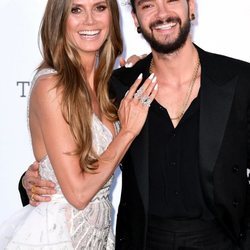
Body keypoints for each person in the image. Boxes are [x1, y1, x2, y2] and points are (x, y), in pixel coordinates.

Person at [19, 0, 250, 249]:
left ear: (191, 6)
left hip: (224, 241)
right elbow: (70, 160)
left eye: (171, 0)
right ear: (135, 19)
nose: (163, 13)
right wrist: (28, 182)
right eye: (149, 5)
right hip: (140, 242)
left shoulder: (240, 81)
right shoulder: (119, 87)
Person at [0, 0, 158, 249]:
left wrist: (137, 70)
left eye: (99, 7)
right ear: (59, 19)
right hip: (57, 238)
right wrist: (126, 132)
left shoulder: (108, 86)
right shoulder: (51, 86)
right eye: (76, 10)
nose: (90, 20)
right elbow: (78, 193)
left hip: (99, 238)